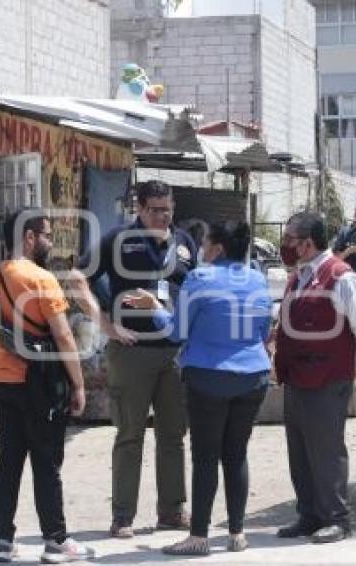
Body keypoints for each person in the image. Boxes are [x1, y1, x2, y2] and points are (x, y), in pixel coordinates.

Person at [124, 220, 272, 556]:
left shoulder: (199, 279)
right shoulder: (258, 280)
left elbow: (176, 333)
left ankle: (199, 537)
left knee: (205, 457)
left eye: (204, 243)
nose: (200, 248)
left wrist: (154, 308)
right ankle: (236, 534)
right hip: (253, 377)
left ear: (218, 247)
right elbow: (264, 331)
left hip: (208, 378)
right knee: (236, 456)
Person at [0, 208, 93, 563]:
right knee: (45, 463)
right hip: (40, 385)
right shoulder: (41, 279)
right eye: (47, 235)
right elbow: (64, 337)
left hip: (3, 383)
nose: (50, 242)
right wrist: (79, 385)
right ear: (29, 238)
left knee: (8, 461)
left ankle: (3, 542)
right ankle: (56, 541)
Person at [77, 180, 197, 538]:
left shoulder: (185, 243)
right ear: (140, 209)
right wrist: (106, 326)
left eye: (168, 208)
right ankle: (123, 516)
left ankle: (172, 511)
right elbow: (77, 278)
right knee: (130, 435)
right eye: (156, 209)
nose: (164, 216)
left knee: (173, 435)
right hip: (132, 352)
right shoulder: (118, 241)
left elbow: (196, 289)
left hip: (175, 353)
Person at [274, 212, 356, 544]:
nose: (286, 244)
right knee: (300, 448)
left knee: (327, 449)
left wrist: (347, 362)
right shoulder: (299, 276)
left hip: (327, 376)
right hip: (297, 376)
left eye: (291, 238)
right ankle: (308, 515)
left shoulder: (341, 276)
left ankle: (336, 518)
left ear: (308, 242)